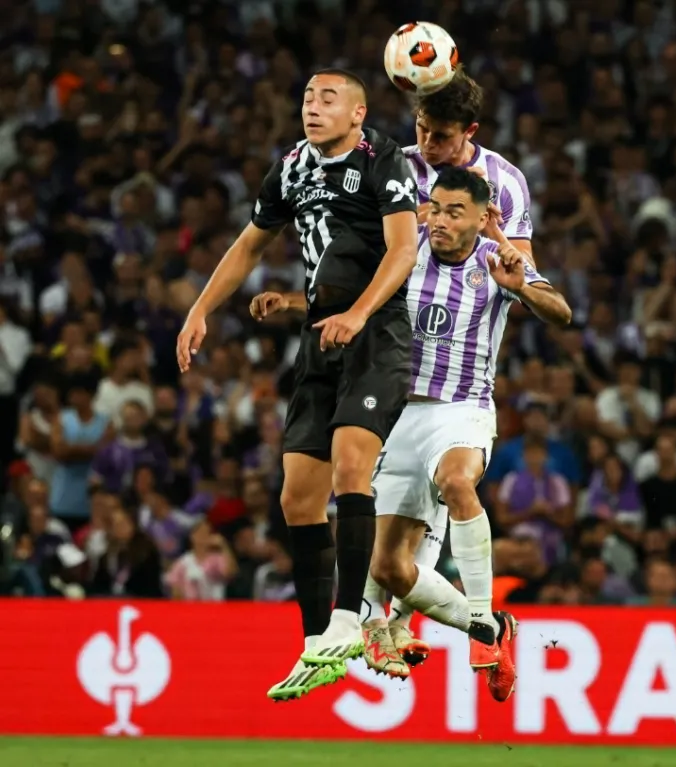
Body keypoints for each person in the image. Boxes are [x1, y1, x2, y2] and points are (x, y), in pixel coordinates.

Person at [175, 68, 419, 702]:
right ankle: (318, 645)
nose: (313, 106)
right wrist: (201, 308)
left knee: (348, 467)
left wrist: (359, 313)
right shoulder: (290, 168)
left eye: (328, 98)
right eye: (308, 96)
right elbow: (251, 243)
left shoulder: (381, 159)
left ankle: (350, 620)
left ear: (358, 113)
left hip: (377, 334)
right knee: (296, 500)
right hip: (320, 338)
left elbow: (402, 249)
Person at [359, 167, 571, 702]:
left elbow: (561, 313)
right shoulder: (404, 254)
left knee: (458, 483)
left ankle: (479, 620)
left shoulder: (498, 261)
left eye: (456, 211)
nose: (440, 220)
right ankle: (497, 627)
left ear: (484, 218)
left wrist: (522, 288)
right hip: (401, 417)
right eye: (435, 207)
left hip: (463, 409)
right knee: (388, 566)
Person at [404, 70, 534, 265]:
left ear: (470, 131)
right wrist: (447, 206)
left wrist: (489, 229)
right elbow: (364, 235)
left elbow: (527, 271)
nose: (428, 143)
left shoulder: (507, 179)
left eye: (442, 136)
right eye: (422, 128)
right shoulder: (392, 165)